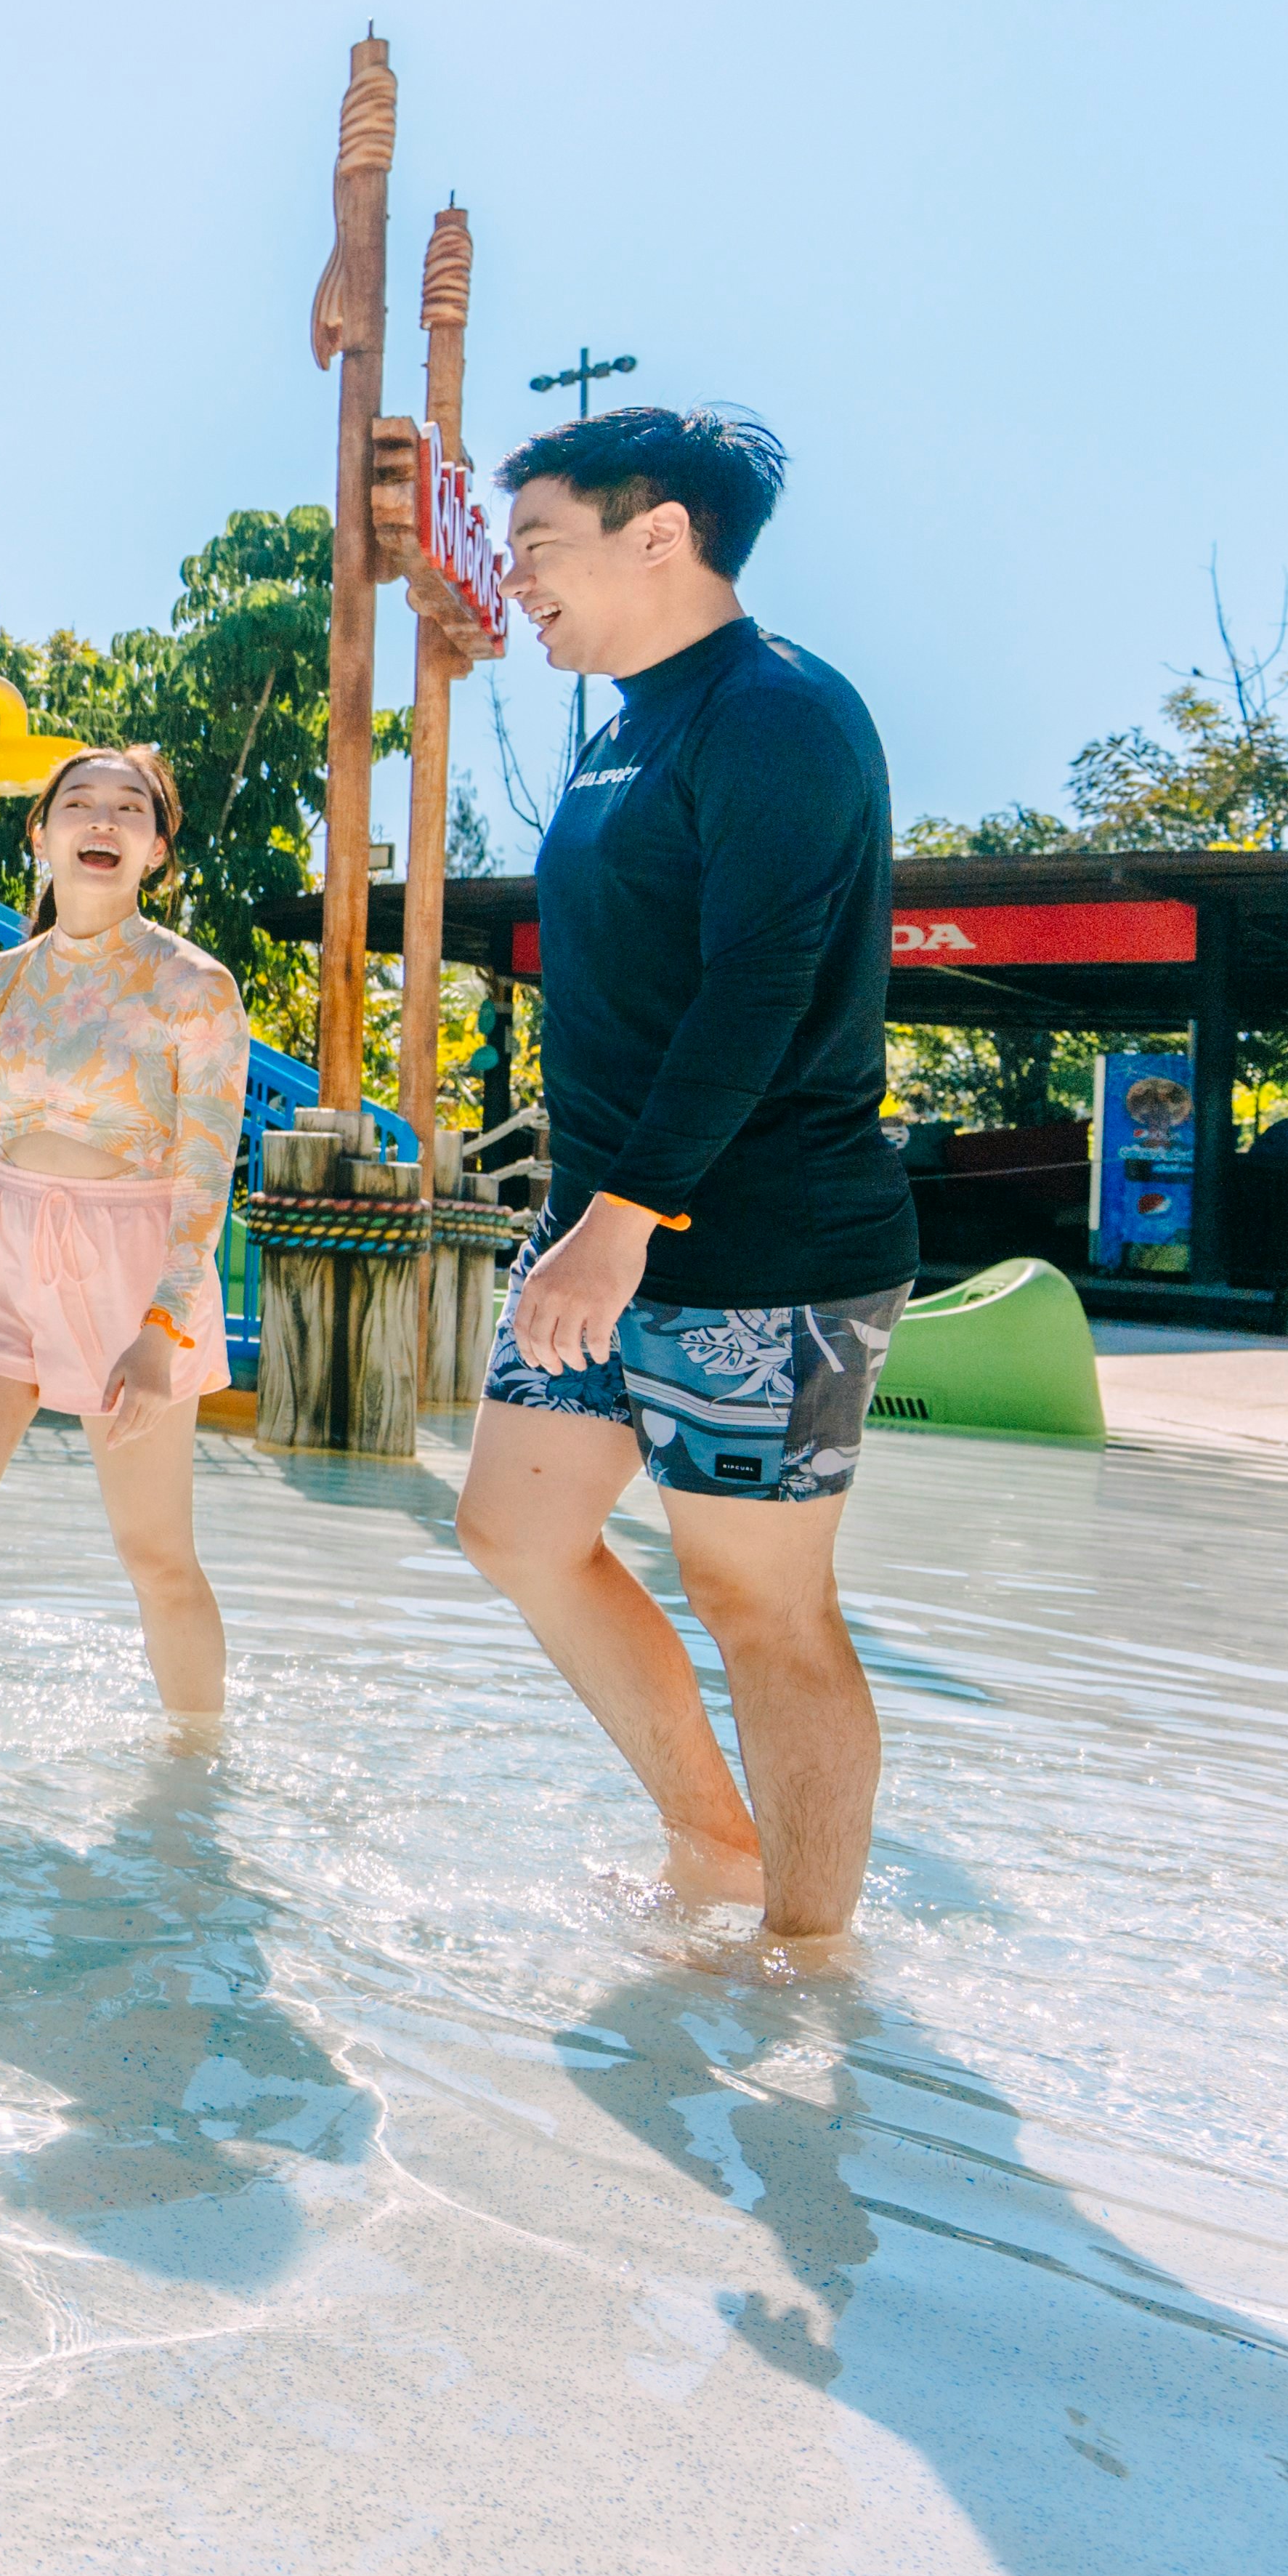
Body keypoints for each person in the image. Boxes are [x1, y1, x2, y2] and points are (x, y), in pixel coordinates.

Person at [453, 407, 920, 1946]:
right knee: (514, 1533)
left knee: (760, 1611)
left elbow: (760, 988)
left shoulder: (777, 713)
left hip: (762, 1240)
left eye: (536, 545)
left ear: (657, 533)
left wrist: (621, 1219)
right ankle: (711, 1843)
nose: (513, 577)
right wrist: (587, 1219)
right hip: (601, 1219)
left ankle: (807, 1956)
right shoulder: (619, 721)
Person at [0, 745, 247, 1729]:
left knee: (155, 1556)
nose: (103, 822)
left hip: (134, 1271)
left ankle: (199, 1774)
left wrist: (164, 1328)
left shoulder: (194, 987)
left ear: (156, 850)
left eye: (130, 810)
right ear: (42, 834)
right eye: (80, 804)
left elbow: (208, 1172)